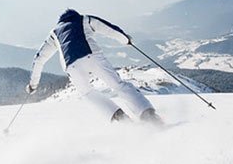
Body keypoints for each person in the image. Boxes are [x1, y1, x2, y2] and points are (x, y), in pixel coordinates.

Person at [26, 8, 162, 123]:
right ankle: (148, 114)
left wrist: (33, 85)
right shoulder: (84, 19)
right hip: (93, 56)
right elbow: (108, 28)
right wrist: (125, 40)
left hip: (72, 66)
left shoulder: (55, 33)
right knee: (118, 85)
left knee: (88, 93)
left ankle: (119, 118)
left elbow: (39, 59)